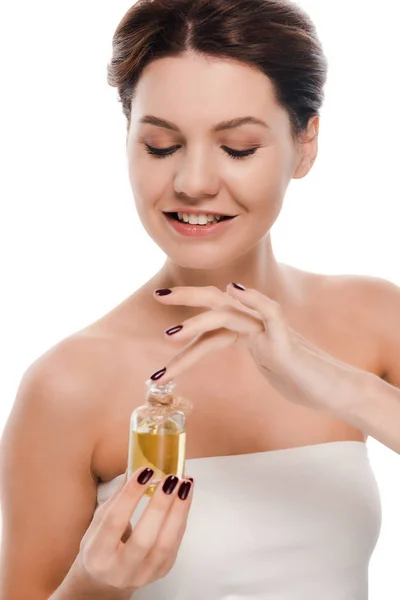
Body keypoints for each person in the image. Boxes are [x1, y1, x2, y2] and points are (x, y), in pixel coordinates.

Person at [1, 0, 400, 598]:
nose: (191, 182)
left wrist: (338, 385)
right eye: (161, 146)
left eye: (237, 148)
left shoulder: (372, 317)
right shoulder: (67, 384)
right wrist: (94, 583)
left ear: (305, 143)